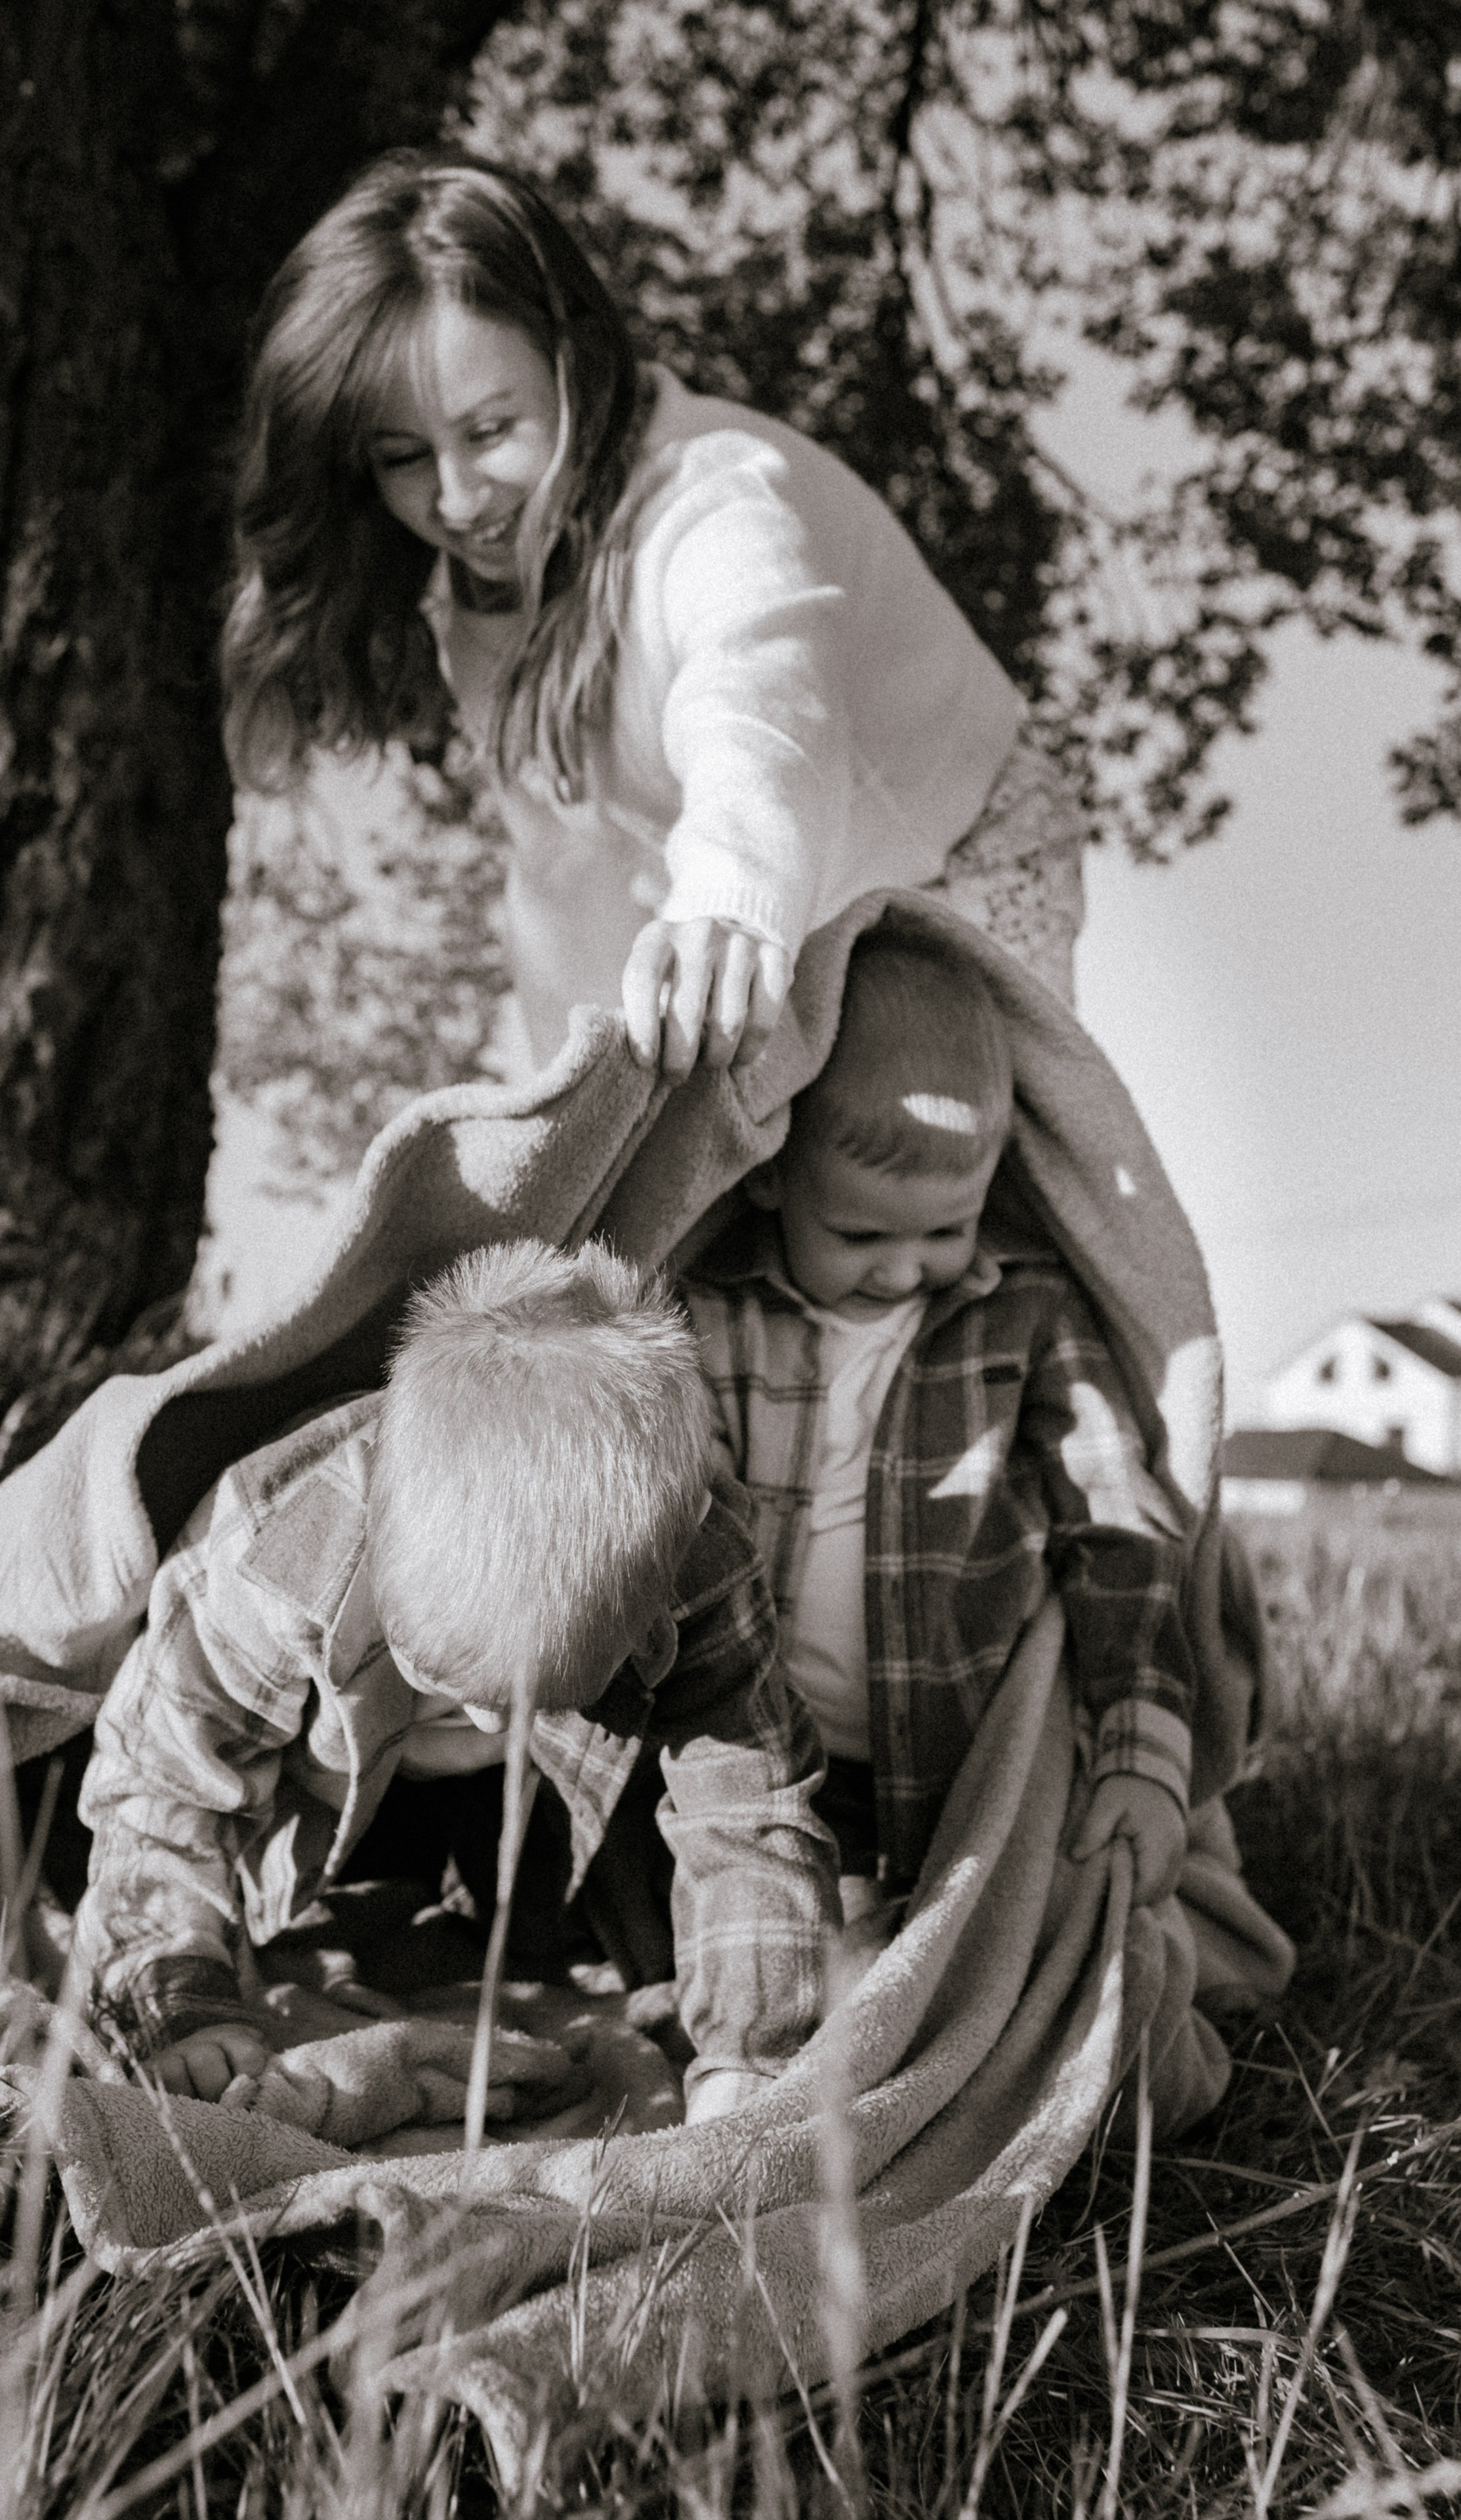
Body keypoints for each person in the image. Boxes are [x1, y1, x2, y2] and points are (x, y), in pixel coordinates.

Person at [220, 150, 1061, 1080]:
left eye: (491, 431)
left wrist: (730, 901)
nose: (458, 500)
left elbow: (760, 706)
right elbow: (562, 880)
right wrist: (574, 1118)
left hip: (953, 851)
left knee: (920, 1176)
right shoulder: (482, 612)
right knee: (721, 1181)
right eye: (404, 458)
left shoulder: (717, 500)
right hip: (773, 907)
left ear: (570, 361)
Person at [70, 1239, 840, 2126]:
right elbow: (163, 1792)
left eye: (528, 1696)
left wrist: (752, 2059)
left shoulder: (700, 1556)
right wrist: (183, 2004)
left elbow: (750, 1814)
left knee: (645, 1953)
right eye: (447, 1675)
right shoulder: (270, 1562)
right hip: (318, 1795)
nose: (480, 1716)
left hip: (554, 1807)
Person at [682, 930, 1197, 1933]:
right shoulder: (715, 1317)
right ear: (769, 1173)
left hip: (954, 1768)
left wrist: (1143, 1751)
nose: (907, 1269)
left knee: (942, 1959)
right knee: (760, 1956)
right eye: (862, 1235)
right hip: (756, 1767)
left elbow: (1119, 1523)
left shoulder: (1027, 1313)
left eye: (947, 1230)